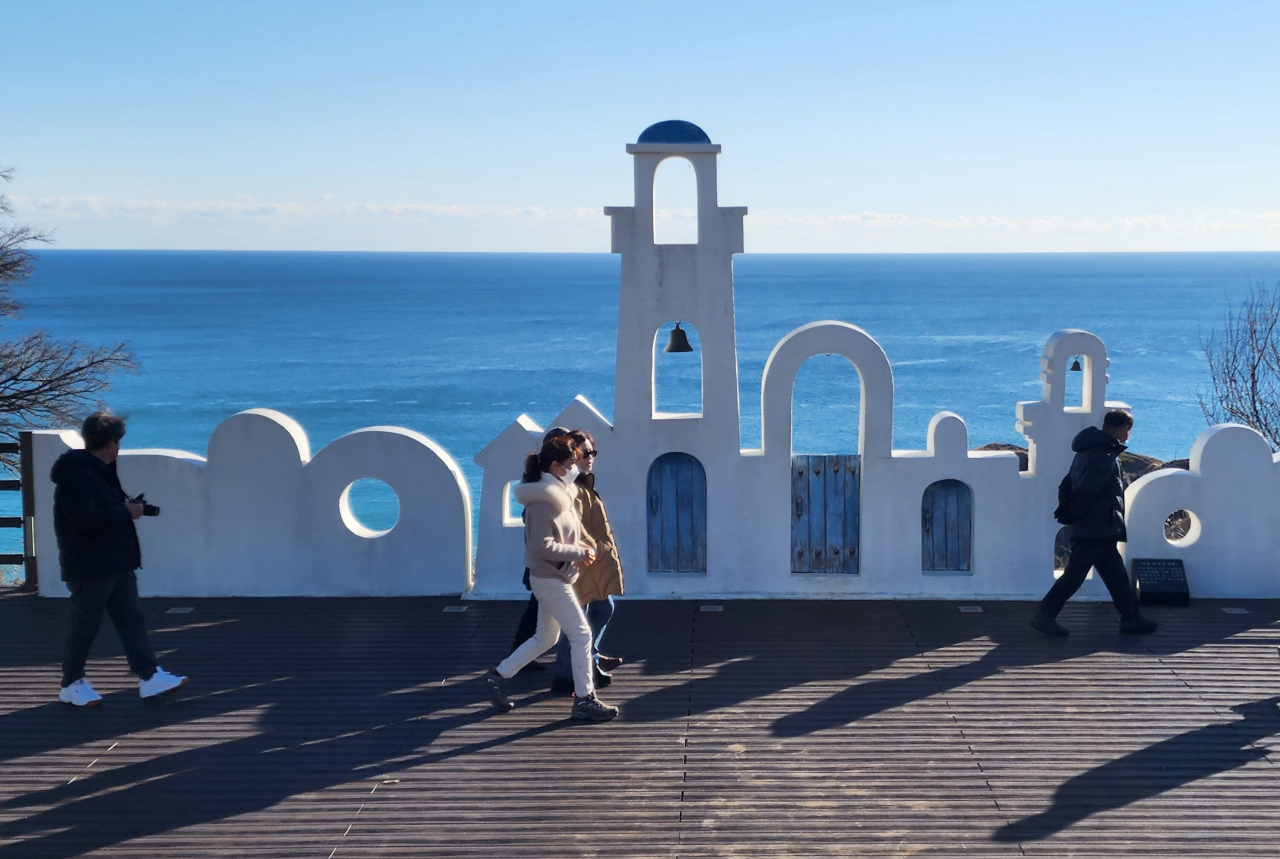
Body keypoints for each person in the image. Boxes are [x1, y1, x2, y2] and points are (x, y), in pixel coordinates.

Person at [54, 411, 188, 707]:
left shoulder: (100, 469)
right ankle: (70, 683)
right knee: (85, 625)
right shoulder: (76, 476)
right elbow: (83, 520)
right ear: (111, 443)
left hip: (117, 562)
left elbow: (98, 512)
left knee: (132, 621)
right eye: (118, 442)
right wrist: (126, 512)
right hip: (90, 566)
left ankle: (150, 677)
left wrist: (125, 509)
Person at [483, 435, 619, 721]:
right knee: (581, 634)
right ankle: (585, 700)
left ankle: (498, 676)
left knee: (545, 638)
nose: (576, 465)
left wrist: (581, 545)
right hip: (550, 579)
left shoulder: (559, 492)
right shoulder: (543, 501)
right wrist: (577, 554)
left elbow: (565, 532)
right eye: (572, 462)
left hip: (556, 577)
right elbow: (539, 546)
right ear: (556, 466)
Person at [1031, 409, 1158, 637]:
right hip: (1096, 527)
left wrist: (1068, 512)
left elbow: (1067, 484)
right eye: (1127, 431)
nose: (1128, 436)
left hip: (1099, 527)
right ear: (1122, 430)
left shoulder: (1086, 452)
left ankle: (1131, 618)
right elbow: (1088, 490)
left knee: (1116, 575)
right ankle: (1044, 615)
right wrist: (1075, 514)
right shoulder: (1103, 455)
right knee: (1074, 575)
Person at [550, 429, 624, 695]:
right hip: (581, 563)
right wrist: (588, 549)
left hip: (593, 562)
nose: (590, 456)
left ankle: (588, 663)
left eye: (593, 451)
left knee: (599, 610)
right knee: (580, 619)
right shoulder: (571, 488)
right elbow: (571, 526)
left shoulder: (582, 483)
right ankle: (565, 675)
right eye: (585, 452)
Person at [509, 426, 570, 672]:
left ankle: (520, 653)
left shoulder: (539, 483)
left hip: (544, 564)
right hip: (546, 565)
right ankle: (518, 655)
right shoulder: (541, 489)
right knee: (541, 612)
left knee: (538, 611)